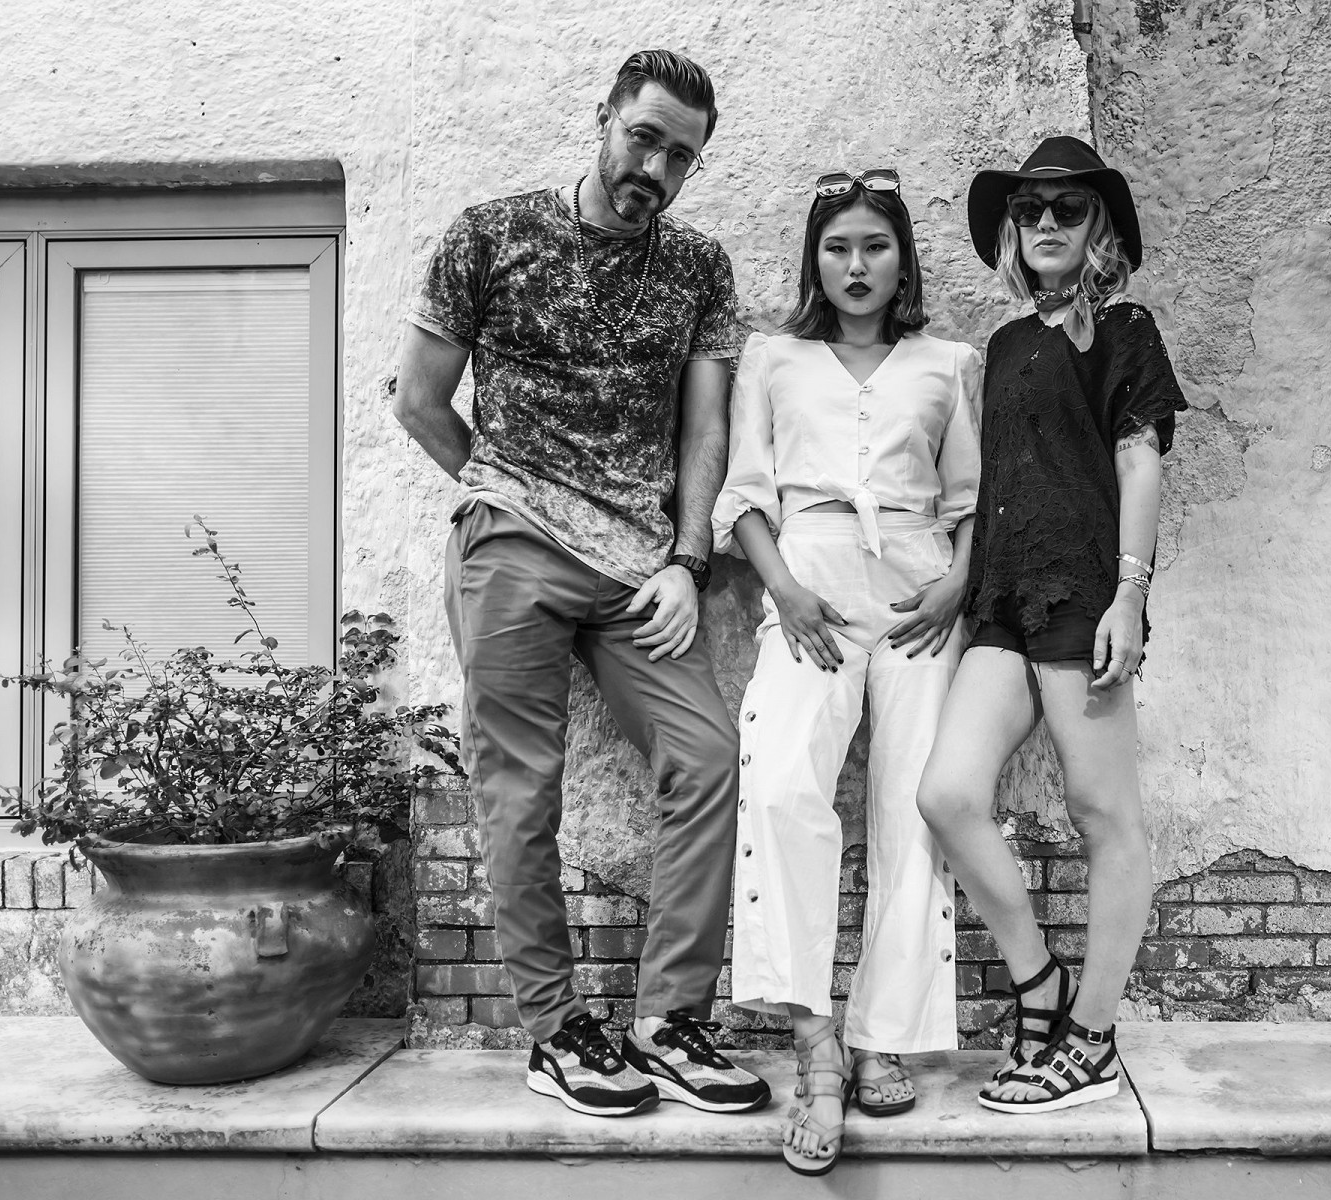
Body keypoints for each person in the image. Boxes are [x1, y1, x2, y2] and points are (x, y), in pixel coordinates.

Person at [393, 48, 770, 1120]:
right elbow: (419, 402)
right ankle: (557, 1033)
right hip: (512, 544)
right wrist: (509, 493)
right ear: (604, 116)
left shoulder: (697, 268)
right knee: (521, 792)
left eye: (680, 156)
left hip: (640, 572)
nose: (656, 168)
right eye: (643, 138)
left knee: (707, 756)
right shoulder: (489, 236)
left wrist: (689, 560)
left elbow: (705, 430)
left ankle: (669, 1022)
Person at [714, 168, 981, 1172]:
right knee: (782, 786)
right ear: (814, 260)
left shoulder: (948, 364)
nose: (857, 265)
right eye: (838, 248)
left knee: (914, 807)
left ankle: (883, 1039)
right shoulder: (772, 358)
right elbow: (745, 490)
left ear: (902, 258)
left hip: (919, 592)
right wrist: (782, 589)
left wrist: (958, 585)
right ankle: (815, 1039)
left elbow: (972, 496)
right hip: (810, 584)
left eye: (875, 246)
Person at [916, 136, 1187, 1114]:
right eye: (1028, 209)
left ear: (1098, 226)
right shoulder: (1003, 345)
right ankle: (1040, 986)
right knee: (947, 794)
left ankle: (1094, 1040)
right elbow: (995, 477)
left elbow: (1139, 462)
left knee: (1104, 813)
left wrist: (1130, 594)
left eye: (1067, 209)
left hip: (1081, 592)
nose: (1044, 223)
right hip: (1001, 601)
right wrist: (961, 586)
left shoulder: (1122, 328)